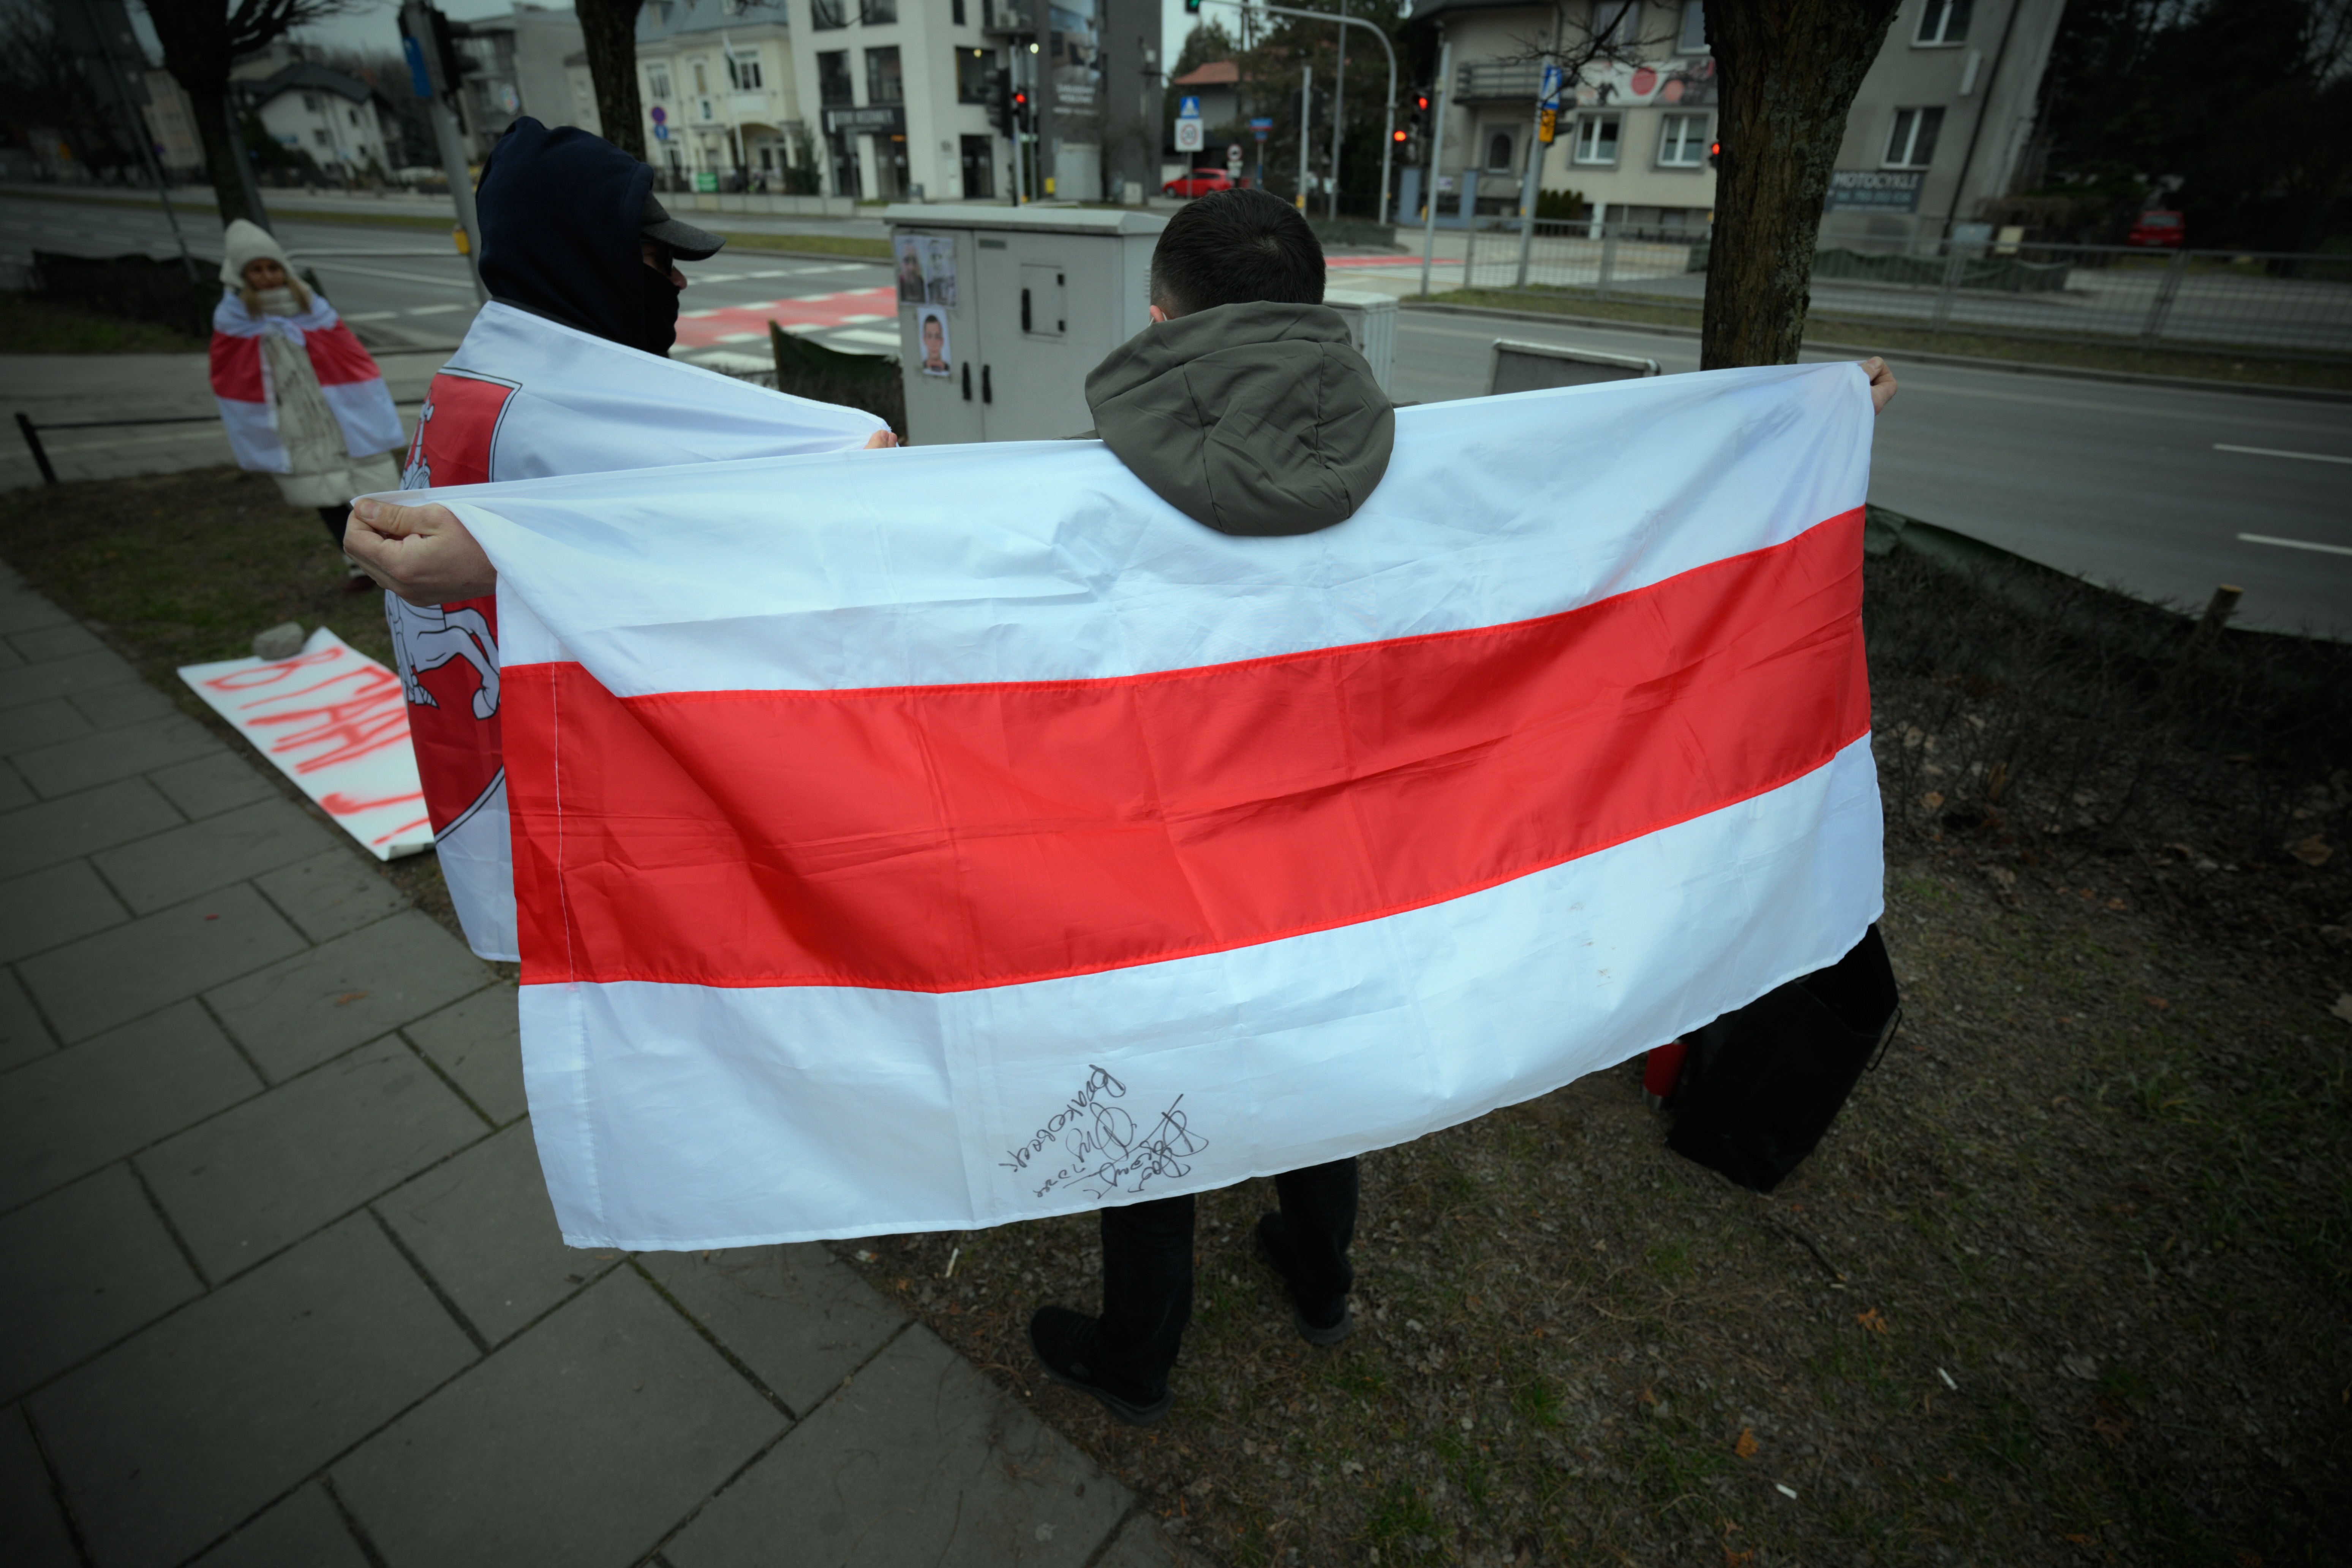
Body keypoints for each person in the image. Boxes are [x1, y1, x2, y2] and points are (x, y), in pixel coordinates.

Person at [344, 118, 893, 964]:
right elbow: (777, 509)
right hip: (574, 803)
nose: (677, 279)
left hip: (502, 778)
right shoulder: (552, 417)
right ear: (580, 257)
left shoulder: (473, 383)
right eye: (652, 256)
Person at [207, 219, 405, 586]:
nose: (267, 277)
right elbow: (232, 374)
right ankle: (360, 566)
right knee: (326, 496)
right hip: (295, 422)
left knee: (373, 486)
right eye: (256, 270)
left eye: (273, 268)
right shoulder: (234, 320)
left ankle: (396, 550)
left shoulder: (313, 308)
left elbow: (350, 356)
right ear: (241, 277)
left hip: (343, 415)